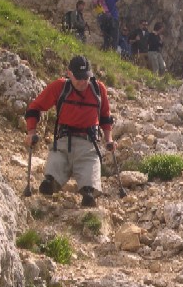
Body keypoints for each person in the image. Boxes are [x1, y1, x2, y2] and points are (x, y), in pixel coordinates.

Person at [24, 55, 116, 207]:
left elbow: (105, 118)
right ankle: (51, 182)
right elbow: (34, 108)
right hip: (63, 140)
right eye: (78, 78)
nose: (82, 82)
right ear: (69, 74)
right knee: (56, 163)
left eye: (86, 77)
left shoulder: (98, 89)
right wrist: (31, 132)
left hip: (88, 143)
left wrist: (109, 140)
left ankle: (88, 192)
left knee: (90, 170)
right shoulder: (60, 87)